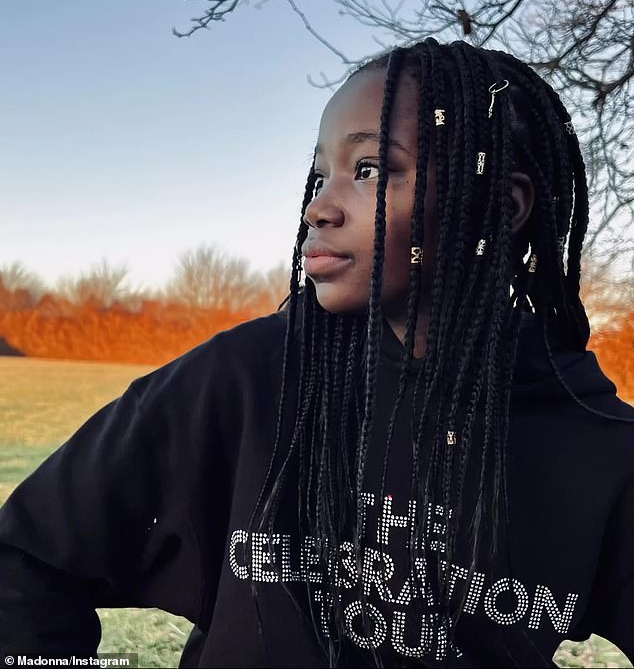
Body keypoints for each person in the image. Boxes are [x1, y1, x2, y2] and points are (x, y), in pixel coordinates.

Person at [0, 39, 632, 669]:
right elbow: (25, 562)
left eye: (371, 171)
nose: (318, 208)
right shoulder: (250, 377)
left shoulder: (596, 445)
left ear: (502, 207)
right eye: (320, 174)